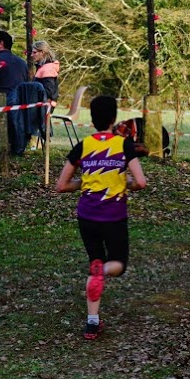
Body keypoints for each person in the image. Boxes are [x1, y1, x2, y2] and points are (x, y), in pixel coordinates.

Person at [54, 95, 148, 340]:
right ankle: (102, 270)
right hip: (114, 216)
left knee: (94, 261)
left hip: (87, 216)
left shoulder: (83, 145)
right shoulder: (124, 144)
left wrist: (84, 183)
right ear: (114, 118)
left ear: (92, 119)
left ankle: (92, 323)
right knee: (117, 265)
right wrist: (124, 182)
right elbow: (140, 182)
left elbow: (61, 186)